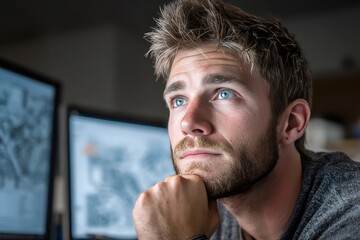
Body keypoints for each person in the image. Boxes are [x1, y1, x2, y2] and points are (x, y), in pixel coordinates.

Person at [132, 0, 360, 239]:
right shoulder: (200, 213)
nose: (188, 122)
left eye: (224, 93)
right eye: (179, 100)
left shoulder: (350, 211)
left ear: (291, 123)